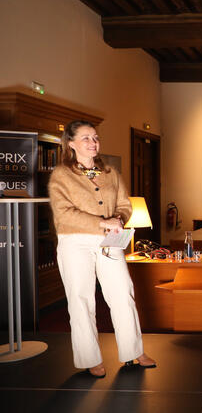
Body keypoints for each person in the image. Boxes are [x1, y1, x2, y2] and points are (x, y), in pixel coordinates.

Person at [48, 120, 156, 378]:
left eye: (95, 137)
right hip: (75, 241)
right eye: (86, 138)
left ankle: (133, 351)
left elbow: (125, 204)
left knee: (123, 293)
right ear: (71, 143)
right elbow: (63, 213)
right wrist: (102, 222)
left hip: (109, 240)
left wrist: (119, 218)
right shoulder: (61, 175)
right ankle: (90, 358)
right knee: (81, 299)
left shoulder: (110, 172)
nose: (93, 142)